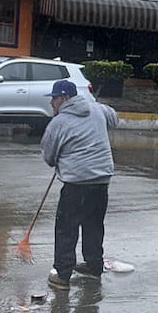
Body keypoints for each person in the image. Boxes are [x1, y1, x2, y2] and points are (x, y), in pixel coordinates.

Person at [40, 79, 118, 290]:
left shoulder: (59, 122)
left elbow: (48, 156)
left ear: (64, 98)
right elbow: (114, 118)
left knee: (67, 228)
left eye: (54, 99)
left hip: (76, 184)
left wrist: (58, 159)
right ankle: (94, 266)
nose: (51, 103)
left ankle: (62, 276)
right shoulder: (97, 109)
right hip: (101, 181)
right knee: (93, 224)